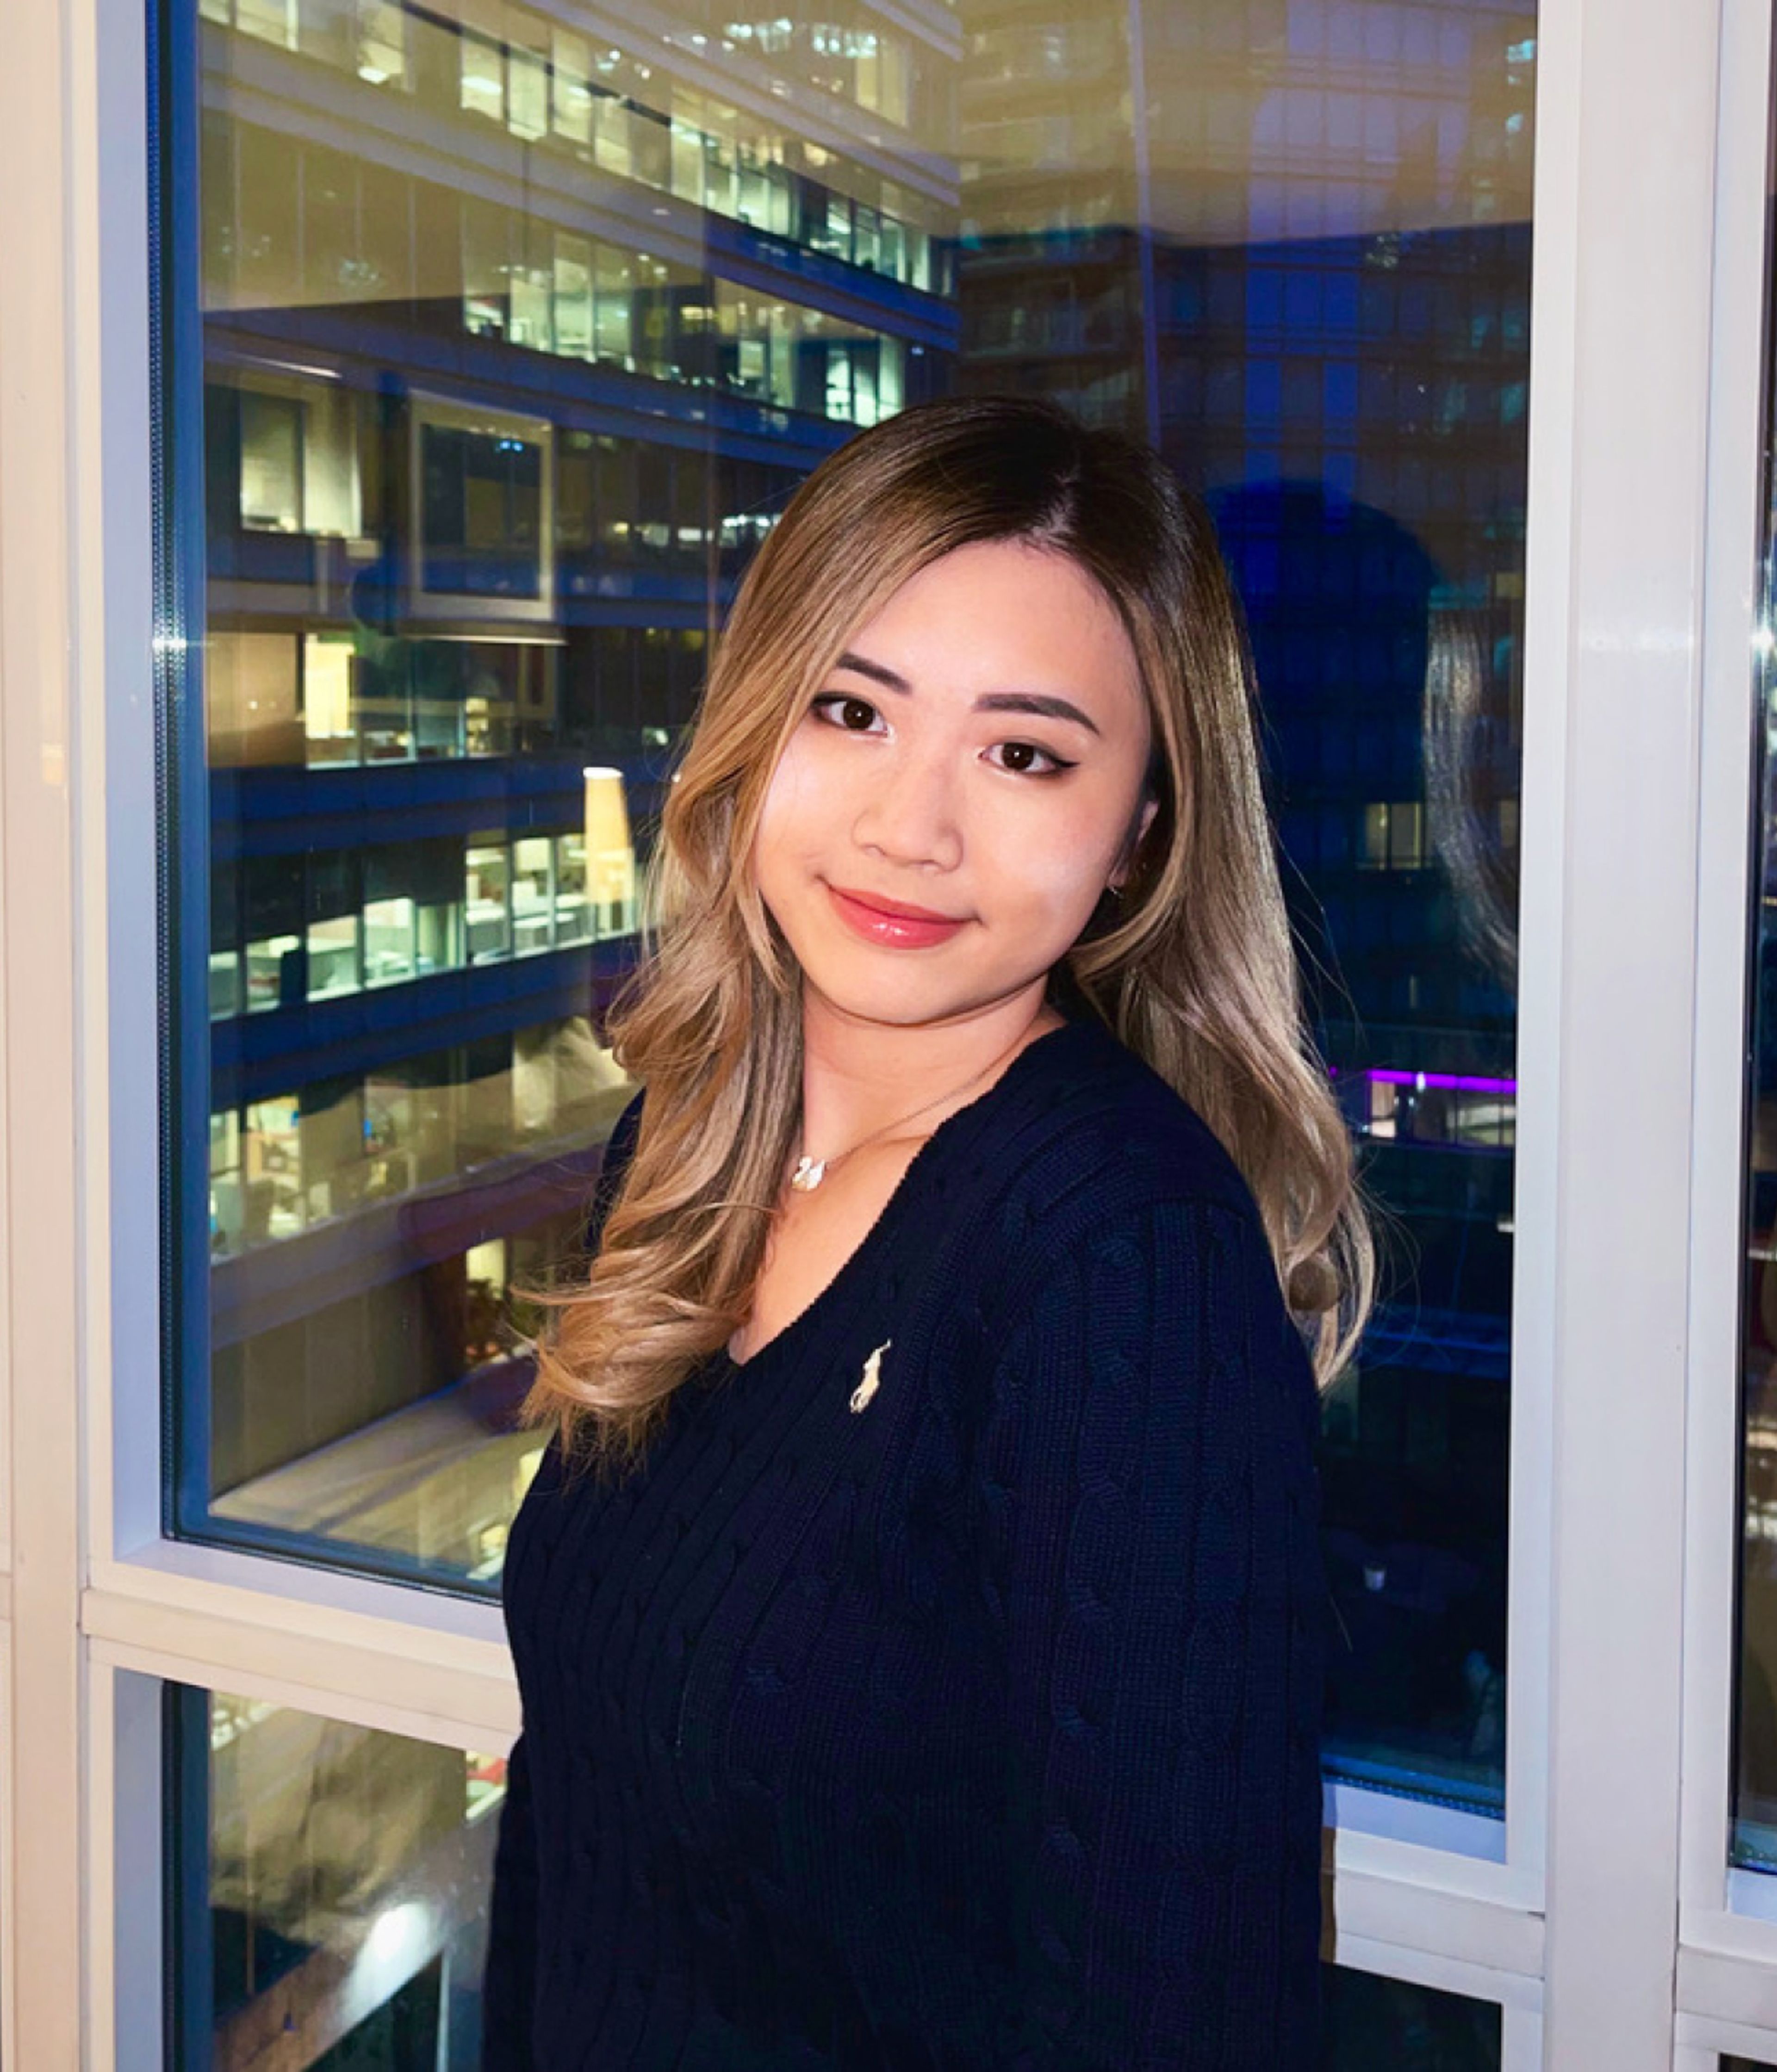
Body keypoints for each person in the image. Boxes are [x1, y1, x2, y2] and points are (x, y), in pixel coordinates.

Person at [482, 392, 1374, 2069]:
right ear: (759, 732)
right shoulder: (685, 1147)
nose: (915, 827)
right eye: (853, 710)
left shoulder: (1120, 1265)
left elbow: (1180, 2022)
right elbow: (579, 1821)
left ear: (1140, 840)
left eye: (1026, 753)